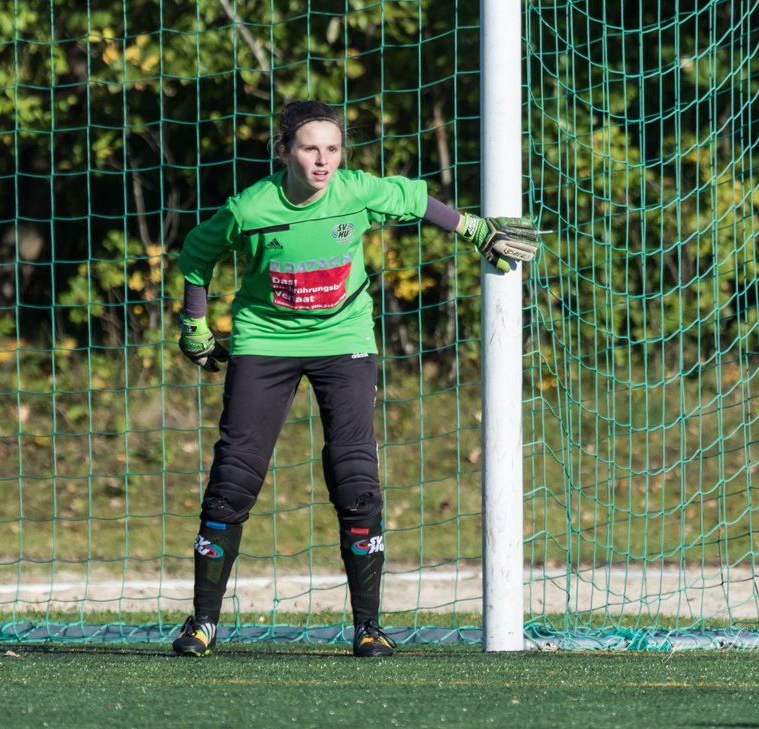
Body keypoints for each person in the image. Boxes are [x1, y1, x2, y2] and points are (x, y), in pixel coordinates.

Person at [171, 100, 539, 657]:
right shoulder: (249, 207)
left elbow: (415, 199)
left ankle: (368, 627)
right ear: (284, 152)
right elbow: (197, 256)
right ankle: (202, 623)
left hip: (345, 345)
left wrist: (474, 230)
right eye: (310, 149)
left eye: (333, 149)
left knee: (354, 478)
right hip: (264, 345)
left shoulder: (357, 191)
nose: (323, 162)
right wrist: (194, 325)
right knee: (233, 481)